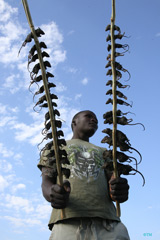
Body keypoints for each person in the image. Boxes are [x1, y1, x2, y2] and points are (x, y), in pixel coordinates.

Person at [38, 110, 130, 240]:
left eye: (96, 119)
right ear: (74, 122)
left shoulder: (105, 152)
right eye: (88, 116)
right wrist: (52, 194)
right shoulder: (54, 147)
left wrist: (120, 189)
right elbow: (46, 181)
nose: (94, 120)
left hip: (109, 224)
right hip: (68, 221)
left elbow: (113, 182)